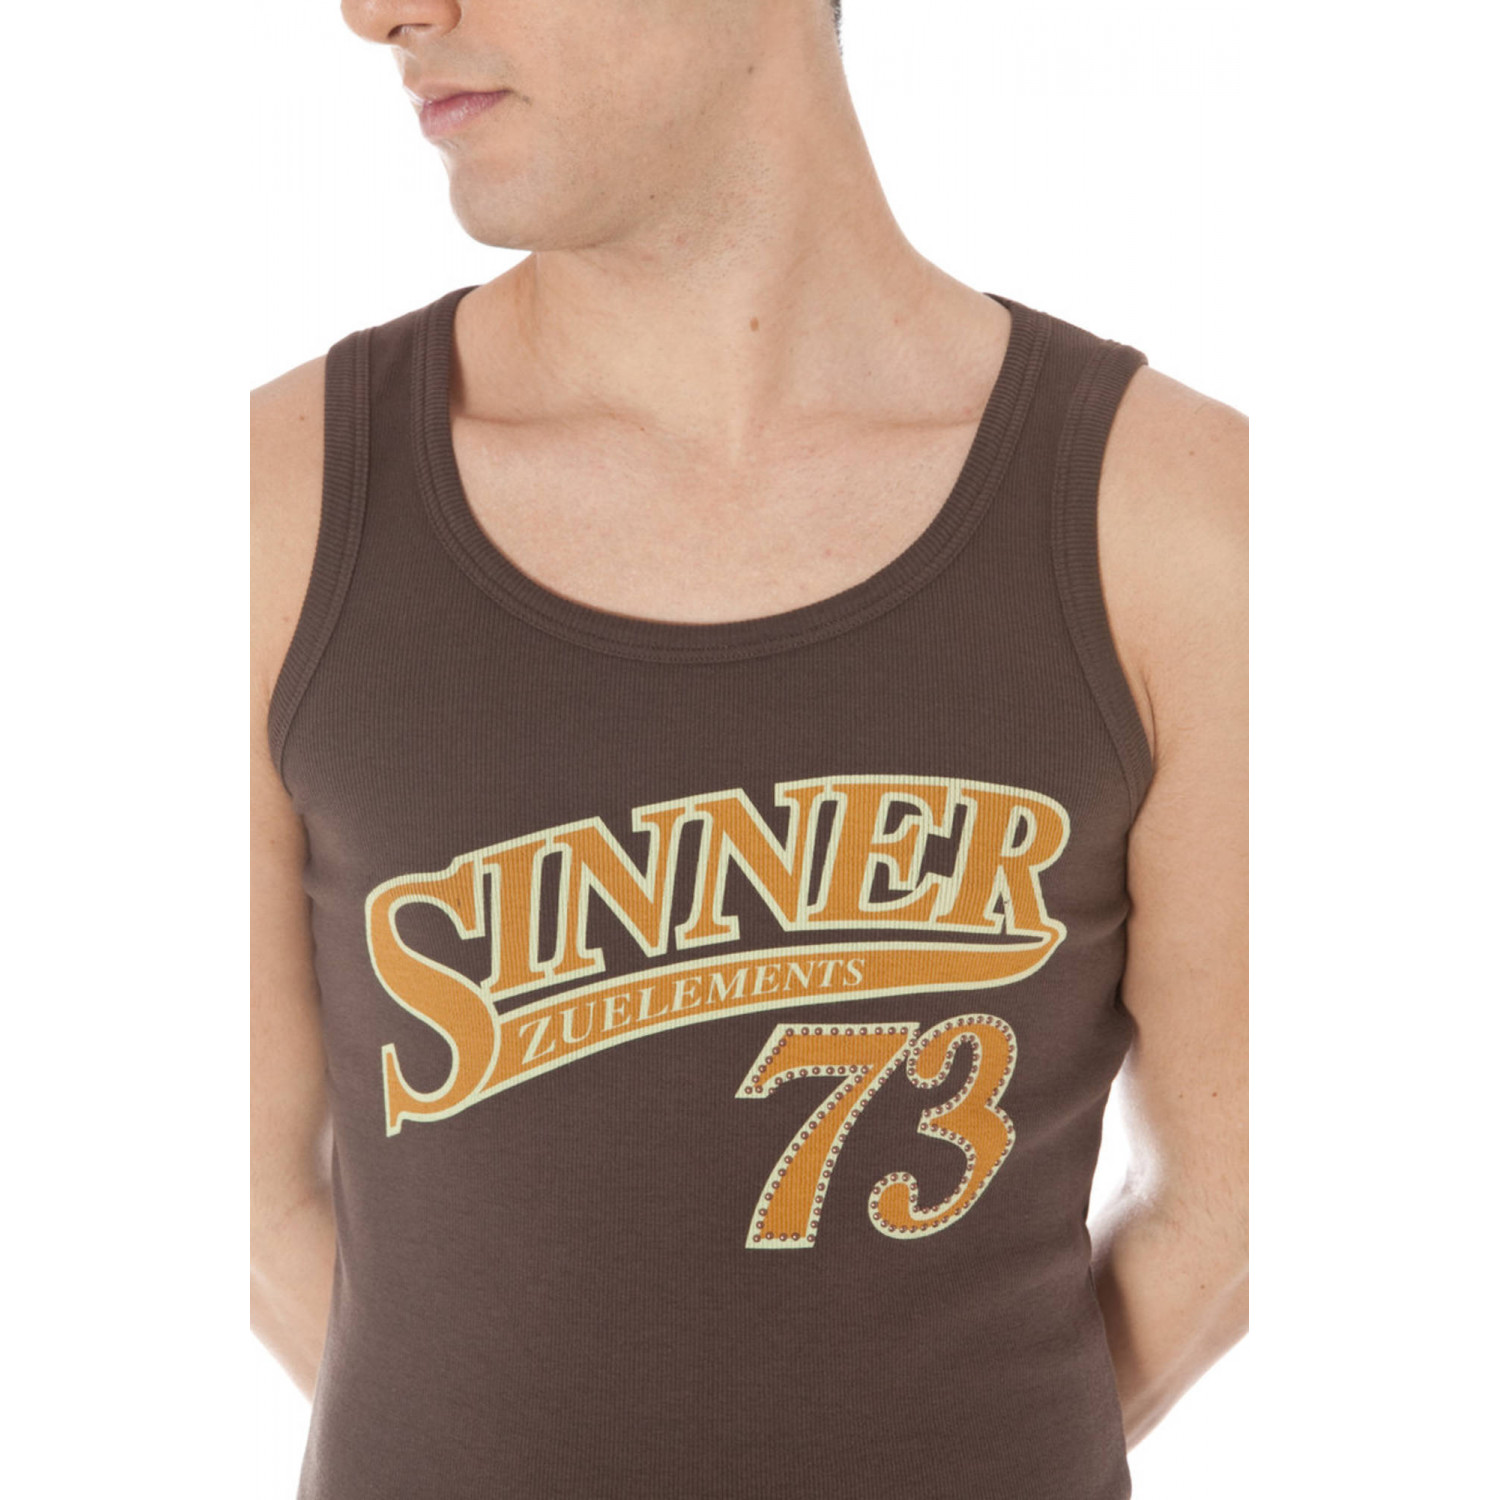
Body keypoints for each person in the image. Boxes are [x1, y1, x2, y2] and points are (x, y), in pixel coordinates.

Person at [250, 2, 1247, 1495]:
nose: (376, 10)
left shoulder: (1182, 523)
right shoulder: (268, 506)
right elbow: (239, 1200)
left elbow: (1237, 1210)